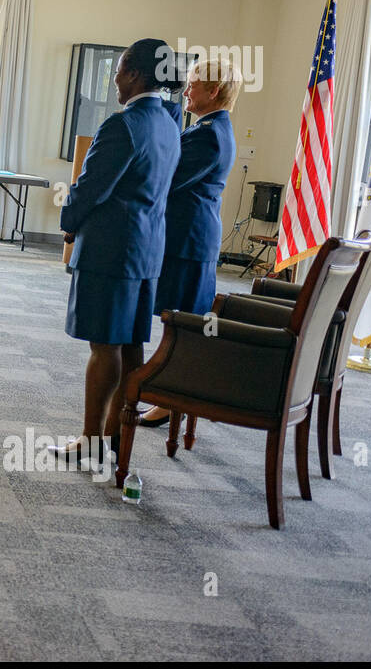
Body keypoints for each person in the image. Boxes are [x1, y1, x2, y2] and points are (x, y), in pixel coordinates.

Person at [55, 39, 181, 464]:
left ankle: (91, 439)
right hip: (146, 253)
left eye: (119, 69)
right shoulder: (169, 123)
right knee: (129, 346)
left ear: (132, 73)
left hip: (110, 253)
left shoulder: (122, 124)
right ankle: (114, 436)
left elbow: (91, 188)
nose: (114, 79)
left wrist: (68, 224)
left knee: (103, 347)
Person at [137, 55, 241, 427]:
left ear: (213, 91)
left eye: (194, 84)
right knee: (177, 321)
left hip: (188, 243)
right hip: (190, 239)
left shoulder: (209, 134)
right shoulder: (212, 126)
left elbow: (168, 180)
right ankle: (169, 395)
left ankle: (170, 397)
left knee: (179, 324)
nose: (187, 90)